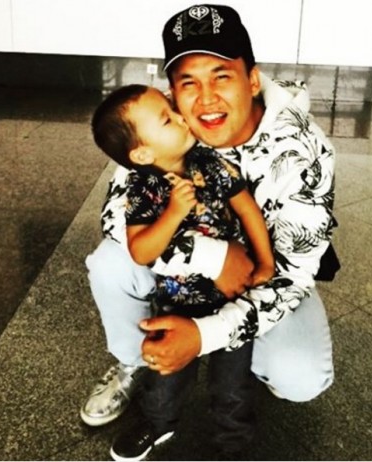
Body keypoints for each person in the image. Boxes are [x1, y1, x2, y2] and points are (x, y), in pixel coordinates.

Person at [81, 4, 336, 459]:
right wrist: (212, 256)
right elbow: (116, 218)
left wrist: (204, 334)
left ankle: (239, 360)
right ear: (172, 93)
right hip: (181, 282)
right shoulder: (165, 127)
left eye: (221, 77)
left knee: (299, 377)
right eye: (188, 84)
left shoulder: (303, 149)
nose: (206, 100)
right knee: (109, 265)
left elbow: (291, 274)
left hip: (266, 276)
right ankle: (138, 361)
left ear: (251, 80)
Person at [90, 83, 275, 460]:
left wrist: (266, 261)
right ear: (142, 153)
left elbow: (247, 209)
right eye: (167, 119)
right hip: (176, 304)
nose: (181, 117)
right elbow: (141, 250)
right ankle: (158, 424)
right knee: (165, 377)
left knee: (233, 383)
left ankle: (233, 442)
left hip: (231, 297)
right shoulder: (143, 188)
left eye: (173, 109)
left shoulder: (210, 162)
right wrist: (174, 212)